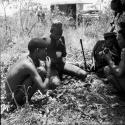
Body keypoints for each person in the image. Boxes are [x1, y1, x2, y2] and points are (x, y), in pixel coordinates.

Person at [103, 24, 125, 94]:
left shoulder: (124, 51)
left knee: (108, 70)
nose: (117, 41)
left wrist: (109, 59)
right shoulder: (101, 44)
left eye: (119, 39)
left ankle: (121, 93)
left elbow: (119, 73)